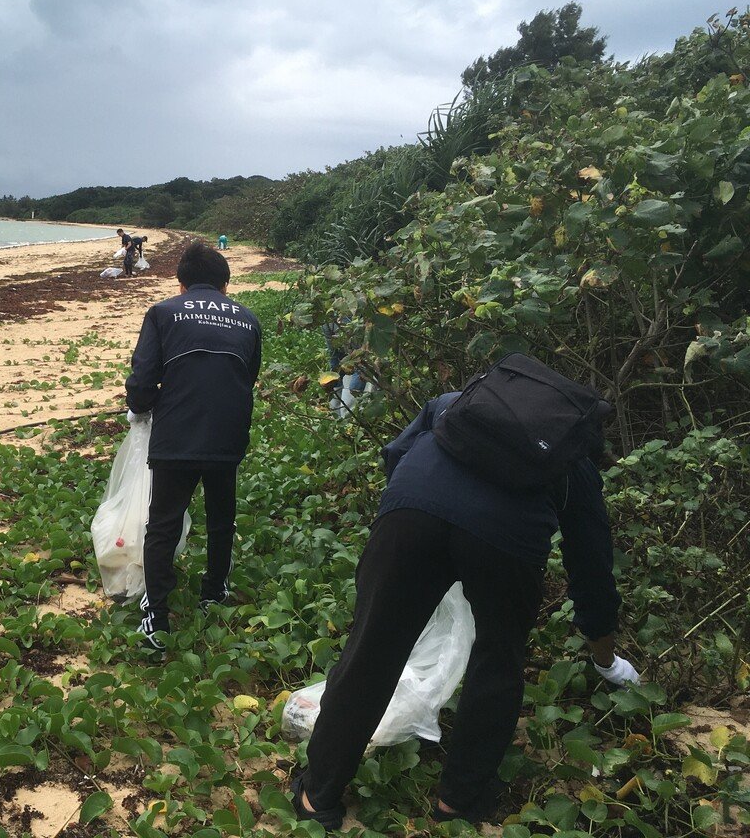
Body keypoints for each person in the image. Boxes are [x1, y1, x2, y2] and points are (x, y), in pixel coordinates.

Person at [291, 390, 639, 829]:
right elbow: (592, 573)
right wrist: (605, 658)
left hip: (411, 511)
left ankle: (317, 796)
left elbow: (397, 455)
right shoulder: (574, 463)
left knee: (372, 648)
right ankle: (458, 804)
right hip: (504, 544)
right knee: (498, 660)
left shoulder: (456, 403)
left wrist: (418, 537)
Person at [124, 242, 262, 652]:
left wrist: (139, 408)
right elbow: (248, 375)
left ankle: (156, 620)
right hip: (227, 433)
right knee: (222, 519)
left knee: (163, 524)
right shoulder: (249, 319)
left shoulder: (163, 312)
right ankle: (214, 592)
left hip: (177, 436)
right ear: (225, 285)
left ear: (181, 284)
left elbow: (143, 378)